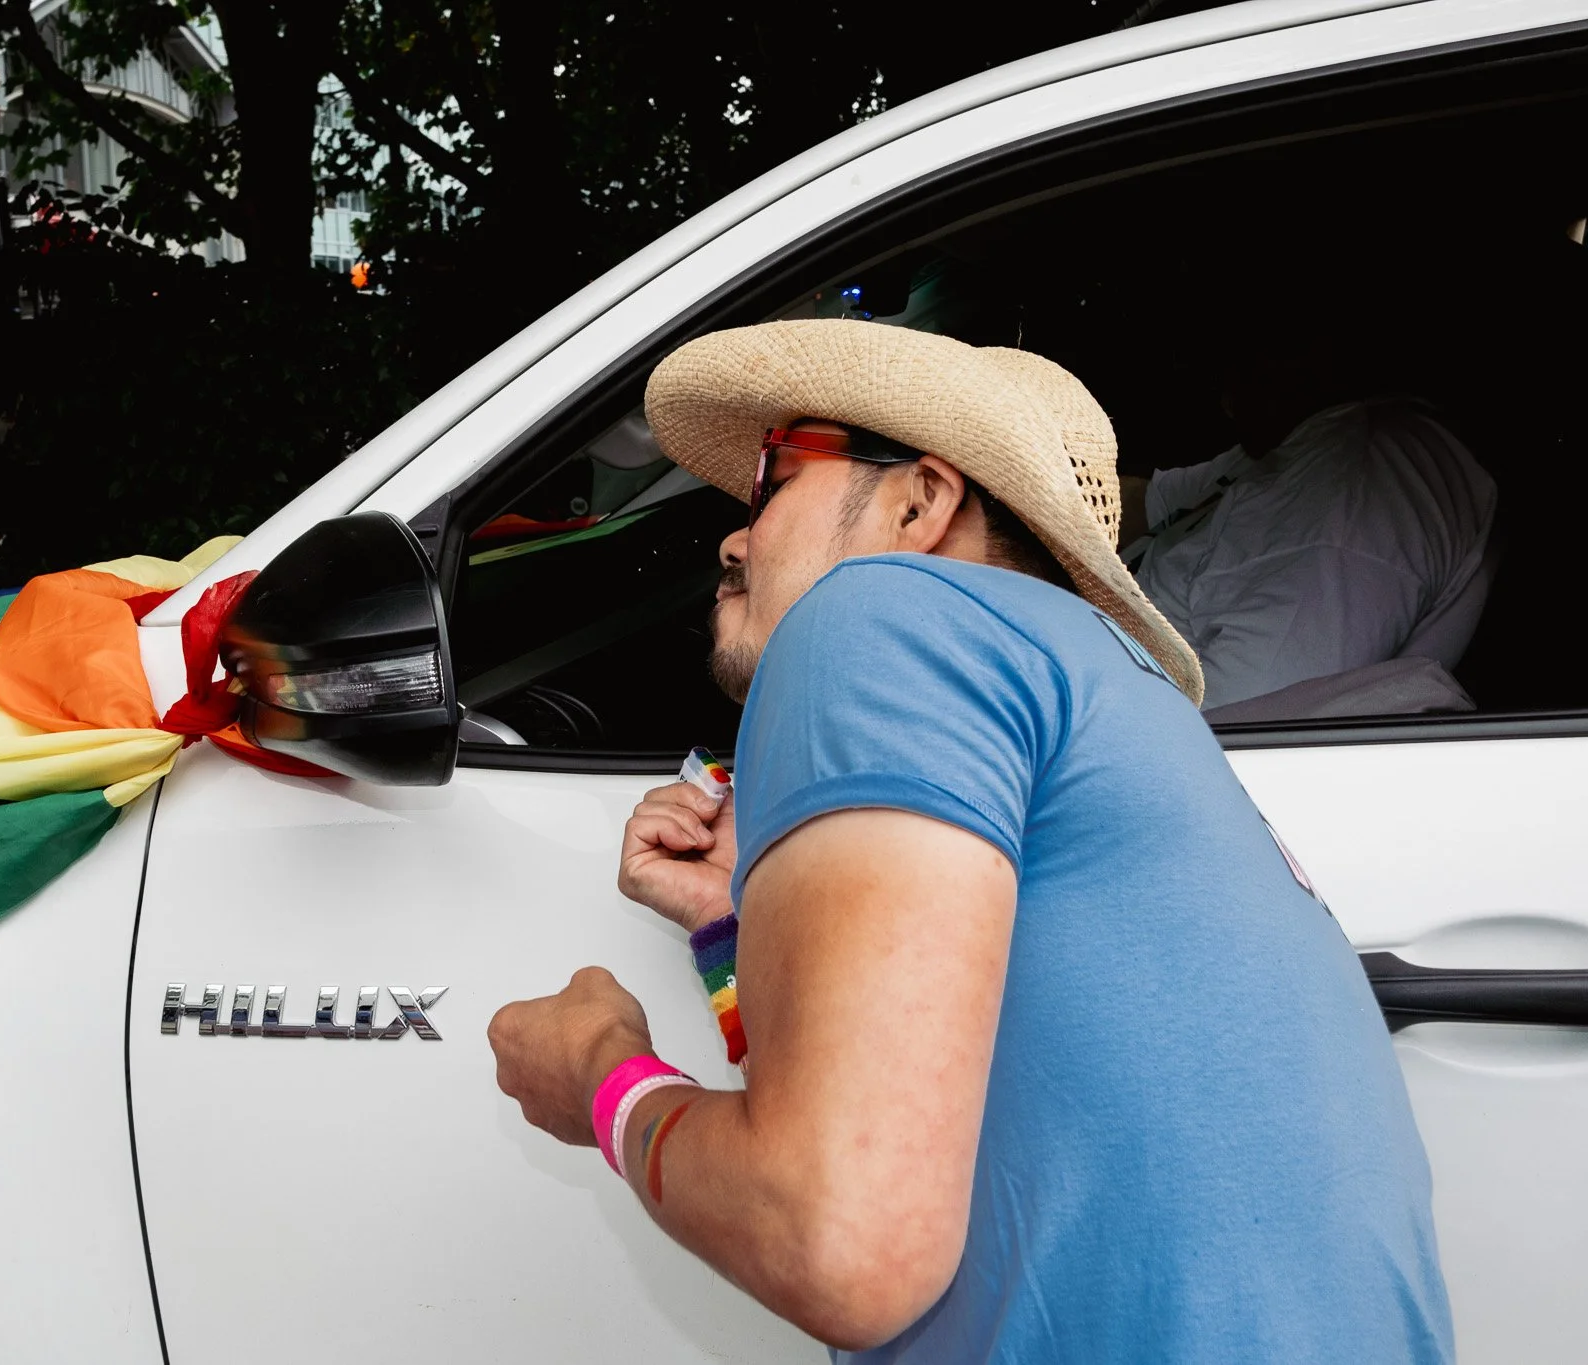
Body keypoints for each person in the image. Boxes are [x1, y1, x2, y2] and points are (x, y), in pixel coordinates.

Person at [487, 320, 1451, 1362]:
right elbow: (907, 1107)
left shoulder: (878, 612)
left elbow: (840, 1241)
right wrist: (731, 920)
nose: (732, 537)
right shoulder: (1110, 700)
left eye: (774, 478)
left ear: (919, 502)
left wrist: (600, 1077)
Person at [1122, 312, 1497, 715]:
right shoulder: (1291, 449)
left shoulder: (1352, 498)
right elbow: (1144, 501)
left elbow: (1240, 718)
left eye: (1246, 369)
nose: (1227, 402)